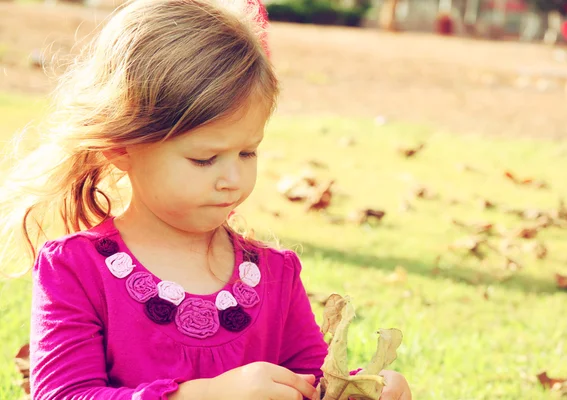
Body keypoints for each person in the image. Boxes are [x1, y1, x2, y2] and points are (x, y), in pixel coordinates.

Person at [0, 0, 412, 399]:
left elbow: (309, 384)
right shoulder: (76, 270)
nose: (232, 180)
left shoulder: (275, 274)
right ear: (121, 147)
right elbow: (62, 394)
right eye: (204, 159)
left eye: (247, 152)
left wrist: (359, 389)